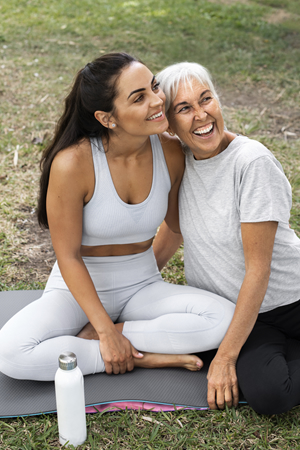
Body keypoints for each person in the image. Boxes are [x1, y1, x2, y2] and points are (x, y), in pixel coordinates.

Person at [0, 53, 235, 382]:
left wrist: (116, 325)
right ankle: (139, 357)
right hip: (76, 290)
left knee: (223, 318)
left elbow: (174, 227)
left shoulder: (169, 152)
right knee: (10, 352)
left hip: (141, 285)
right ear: (107, 118)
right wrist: (104, 331)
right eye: (139, 97)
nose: (158, 101)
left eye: (154, 87)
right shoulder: (73, 164)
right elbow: (67, 256)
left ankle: (116, 340)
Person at [154, 62, 300, 415]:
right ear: (169, 124)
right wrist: (133, 285)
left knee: (270, 396)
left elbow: (258, 271)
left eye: (206, 99)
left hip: (289, 302)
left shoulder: (251, 163)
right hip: (239, 315)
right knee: (268, 391)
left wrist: (226, 356)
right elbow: (173, 231)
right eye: (184, 108)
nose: (202, 115)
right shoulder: (179, 162)